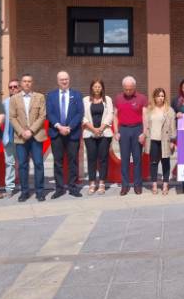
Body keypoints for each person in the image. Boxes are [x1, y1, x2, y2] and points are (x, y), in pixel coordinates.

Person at [46, 71, 85, 199]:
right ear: (57, 81)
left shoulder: (77, 94)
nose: (64, 81)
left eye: (66, 79)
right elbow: (49, 113)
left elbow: (80, 113)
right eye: (62, 79)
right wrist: (59, 126)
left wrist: (70, 127)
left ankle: (73, 187)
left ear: (69, 80)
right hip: (56, 133)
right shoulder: (51, 95)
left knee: (73, 161)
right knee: (58, 162)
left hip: (72, 133)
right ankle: (59, 188)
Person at [10, 73, 47, 202]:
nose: (27, 83)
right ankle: (24, 192)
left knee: (38, 164)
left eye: (29, 81)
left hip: (36, 135)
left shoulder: (40, 97)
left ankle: (40, 192)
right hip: (21, 137)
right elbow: (12, 117)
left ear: (32, 83)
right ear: (21, 83)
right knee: (22, 165)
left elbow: (42, 116)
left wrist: (31, 130)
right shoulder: (14, 98)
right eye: (25, 81)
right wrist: (22, 132)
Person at [114, 76, 148, 196]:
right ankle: (125, 185)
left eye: (130, 89)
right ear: (123, 87)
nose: (128, 91)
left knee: (137, 159)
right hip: (123, 130)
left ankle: (137, 185)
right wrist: (116, 132)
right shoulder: (118, 98)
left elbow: (145, 116)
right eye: (126, 89)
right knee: (125, 159)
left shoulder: (142, 98)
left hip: (137, 129)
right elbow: (115, 116)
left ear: (134, 87)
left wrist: (144, 133)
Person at [83, 79, 114, 195]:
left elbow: (110, 114)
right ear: (91, 88)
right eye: (95, 87)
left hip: (104, 133)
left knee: (103, 158)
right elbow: (82, 116)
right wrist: (93, 129)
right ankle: (92, 183)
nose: (97, 89)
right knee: (91, 158)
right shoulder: (85, 100)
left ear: (102, 88)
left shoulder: (108, 99)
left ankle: (101, 183)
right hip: (89, 133)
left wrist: (101, 128)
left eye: (99, 87)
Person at [144, 88, 177, 195]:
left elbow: (173, 127)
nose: (161, 98)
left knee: (165, 163)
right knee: (153, 163)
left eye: (162, 96)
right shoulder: (149, 109)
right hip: (153, 140)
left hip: (165, 140)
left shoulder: (169, 110)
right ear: (154, 97)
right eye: (158, 96)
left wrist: (172, 141)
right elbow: (146, 125)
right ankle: (154, 184)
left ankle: (165, 185)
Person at [2, 79, 21, 197]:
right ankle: (9, 188)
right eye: (10, 87)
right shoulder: (5, 103)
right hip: (9, 136)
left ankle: (24, 186)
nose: (13, 89)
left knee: (23, 162)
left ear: (19, 88)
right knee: (9, 163)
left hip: (22, 137)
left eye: (15, 86)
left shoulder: (25, 101)